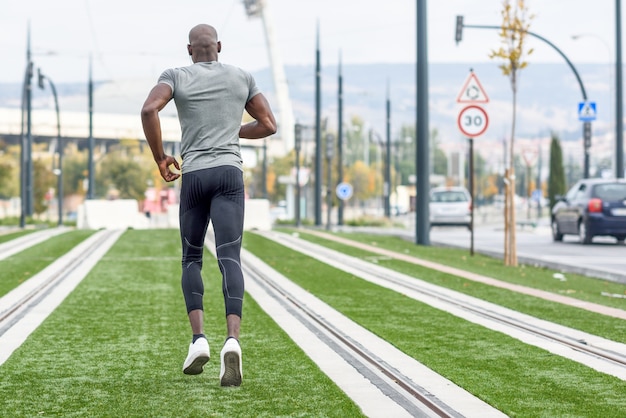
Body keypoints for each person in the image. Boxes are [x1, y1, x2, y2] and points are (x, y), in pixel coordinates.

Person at [141, 23, 276, 386]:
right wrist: (233, 131)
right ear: (219, 45)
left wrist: (160, 158)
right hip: (229, 175)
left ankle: (199, 339)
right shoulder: (241, 77)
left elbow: (149, 110)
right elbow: (268, 124)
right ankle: (232, 340)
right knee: (230, 257)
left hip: (195, 176)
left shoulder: (176, 75)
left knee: (191, 258)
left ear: (189, 50)